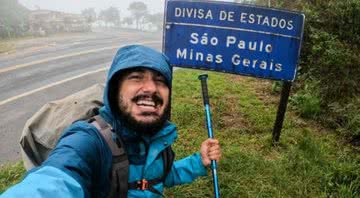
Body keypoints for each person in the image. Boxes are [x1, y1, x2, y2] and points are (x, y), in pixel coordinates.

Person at [1, 45, 221, 197]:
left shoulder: (158, 139)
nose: (151, 88)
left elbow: (163, 176)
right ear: (114, 89)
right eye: (136, 77)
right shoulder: (89, 140)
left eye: (160, 81)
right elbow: (54, 183)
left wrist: (198, 162)